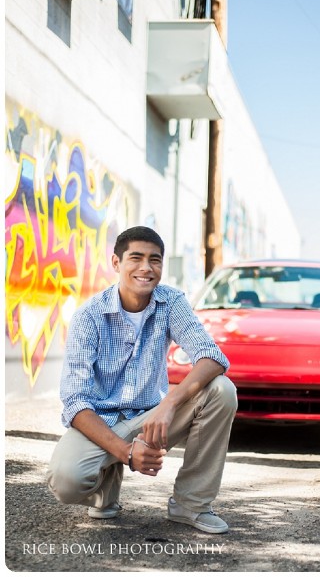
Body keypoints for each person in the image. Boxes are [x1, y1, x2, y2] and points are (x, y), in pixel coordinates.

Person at [46, 226, 237, 534]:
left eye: (155, 259)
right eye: (136, 258)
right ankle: (104, 490)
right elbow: (75, 402)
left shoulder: (171, 302)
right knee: (66, 480)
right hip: (102, 421)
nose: (146, 268)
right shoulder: (89, 316)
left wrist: (170, 404)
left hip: (152, 419)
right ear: (116, 263)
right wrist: (126, 453)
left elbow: (211, 357)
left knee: (221, 390)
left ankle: (191, 504)